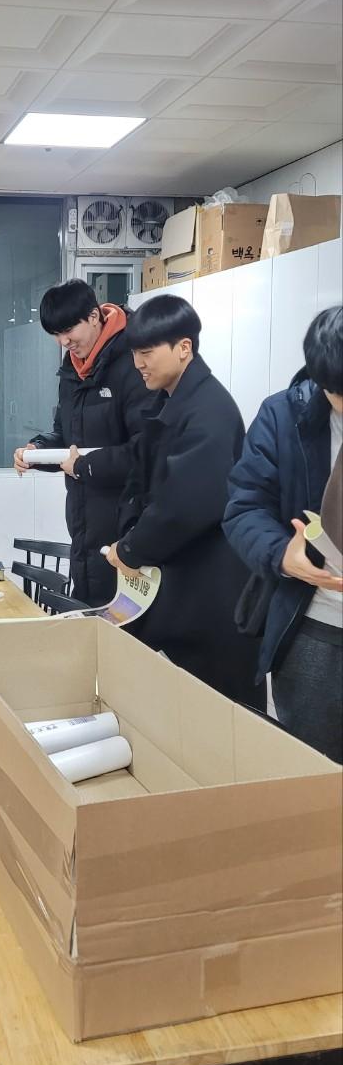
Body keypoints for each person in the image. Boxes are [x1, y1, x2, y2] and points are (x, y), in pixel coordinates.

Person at [105, 294, 263, 710]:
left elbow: (185, 506)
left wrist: (131, 548)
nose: (138, 363)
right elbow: (140, 477)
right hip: (181, 582)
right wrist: (129, 534)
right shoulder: (168, 400)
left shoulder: (210, 410)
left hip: (210, 591)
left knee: (217, 712)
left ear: (184, 348)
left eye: (147, 352)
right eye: (134, 353)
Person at [224, 306, 343, 762]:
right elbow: (244, 507)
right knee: (311, 770)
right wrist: (281, 556)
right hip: (315, 626)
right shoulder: (282, 416)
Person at [13, 280, 146, 606]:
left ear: (94, 316)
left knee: (122, 621)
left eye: (69, 330)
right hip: (84, 522)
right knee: (89, 614)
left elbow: (146, 451)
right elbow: (65, 436)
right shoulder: (72, 370)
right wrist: (37, 451)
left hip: (128, 526)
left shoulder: (134, 361)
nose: (63, 342)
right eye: (56, 335)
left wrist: (85, 467)